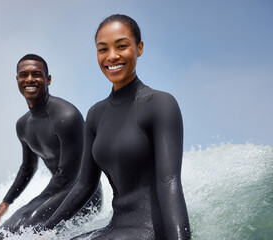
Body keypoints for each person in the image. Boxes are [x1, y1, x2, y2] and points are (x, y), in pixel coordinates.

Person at [44, 14, 191, 239]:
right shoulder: (95, 114)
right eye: (103, 49)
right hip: (115, 229)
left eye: (121, 46)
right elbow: (84, 185)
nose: (112, 56)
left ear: (139, 48)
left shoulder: (160, 104)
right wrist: (44, 230)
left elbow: (169, 183)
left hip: (150, 231)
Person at [0, 54, 102, 239]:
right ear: (17, 80)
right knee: (1, 233)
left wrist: (29, 209)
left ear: (48, 79)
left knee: (20, 226)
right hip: (56, 192)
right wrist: (5, 203)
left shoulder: (66, 116)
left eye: (36, 74)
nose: (29, 79)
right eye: (24, 75)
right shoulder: (23, 125)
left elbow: (69, 176)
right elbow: (28, 167)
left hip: (83, 197)